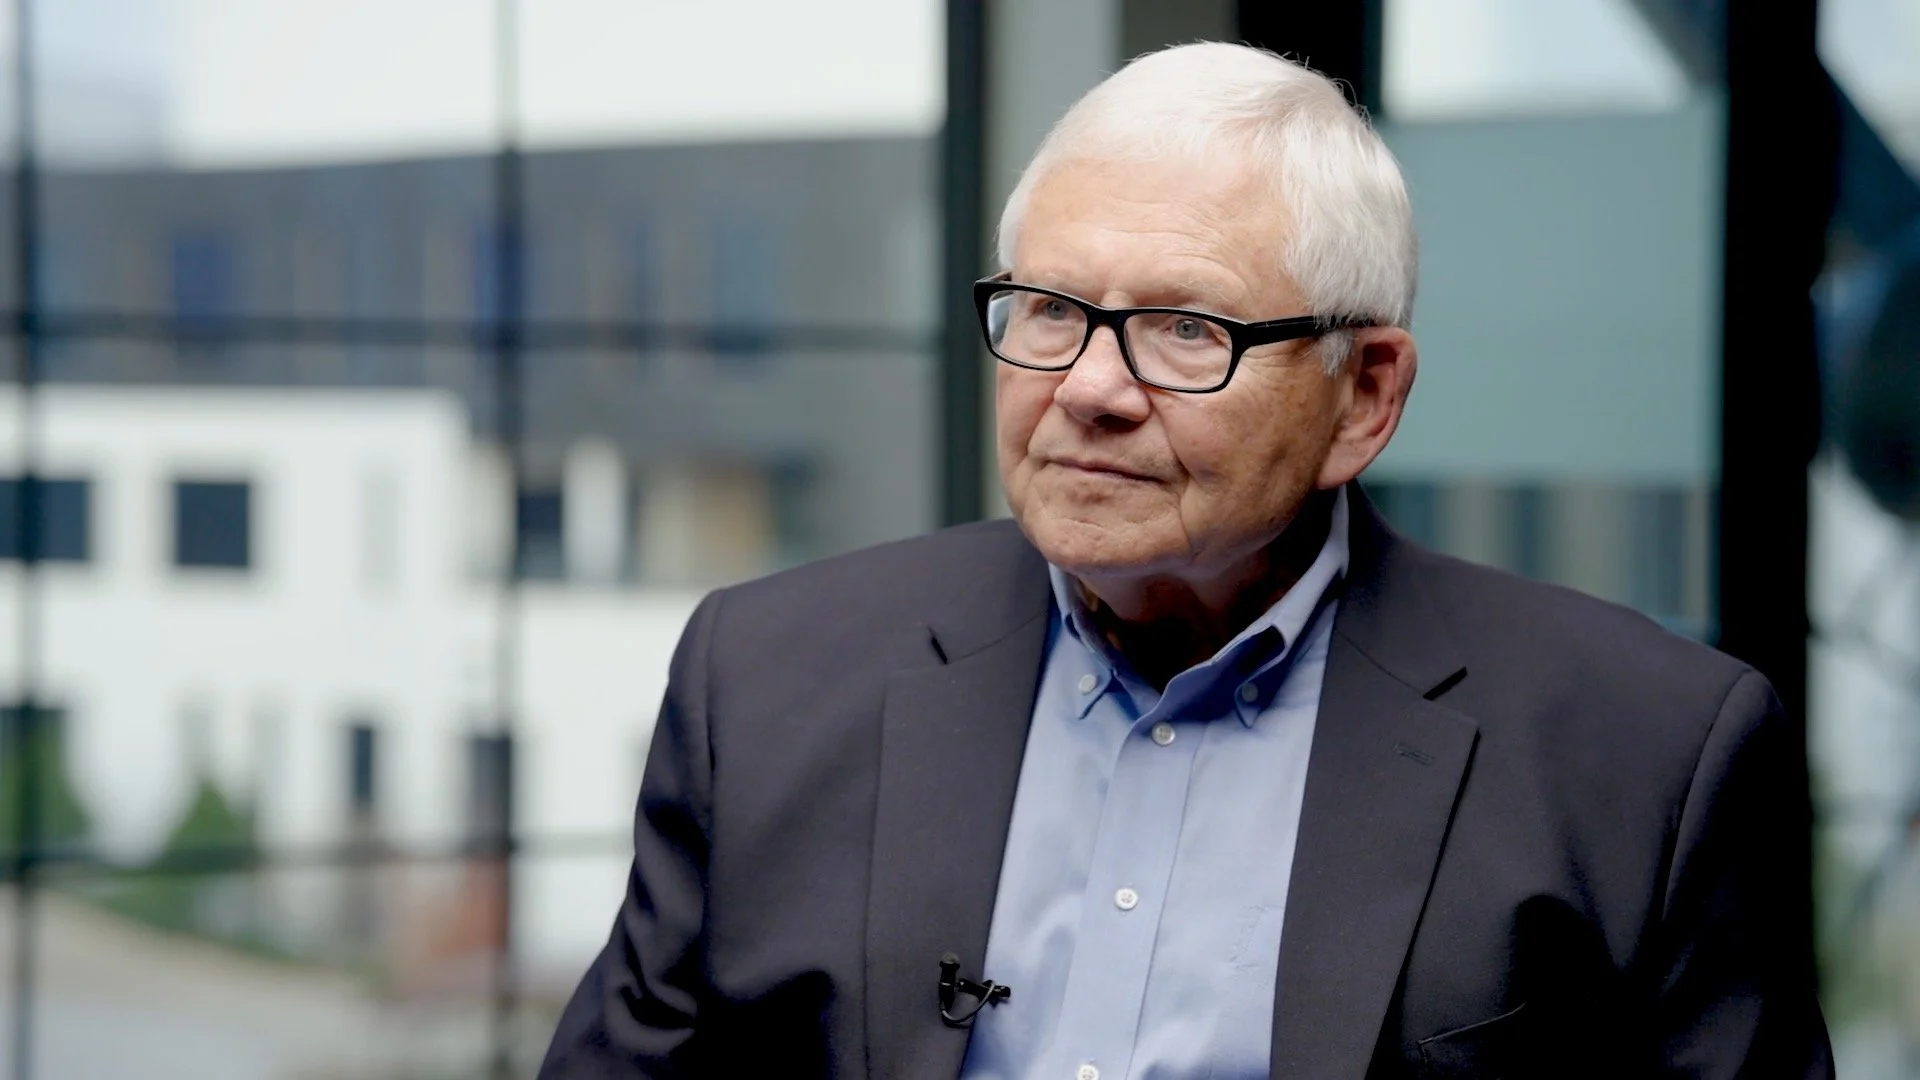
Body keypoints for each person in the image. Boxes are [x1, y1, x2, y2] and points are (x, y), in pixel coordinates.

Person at [540, 42, 1833, 1079]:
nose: (1088, 389)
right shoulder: (763, 681)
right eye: (1050, 310)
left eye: (1184, 329)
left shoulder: (1647, 755)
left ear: (1364, 396)